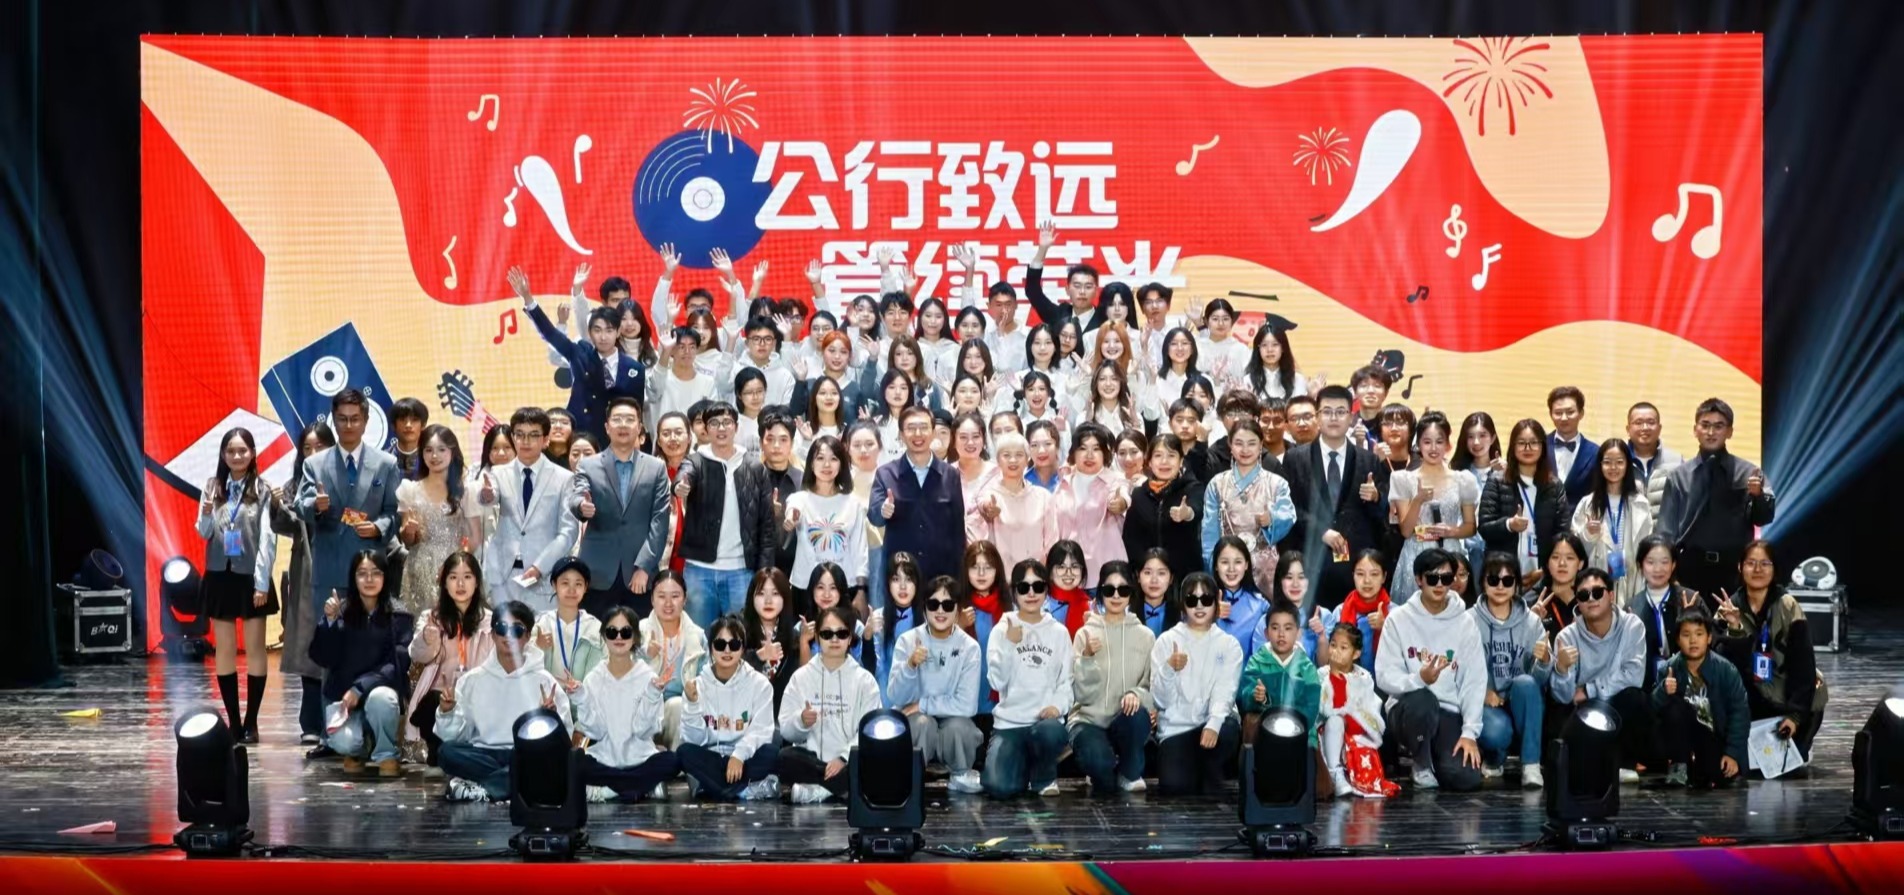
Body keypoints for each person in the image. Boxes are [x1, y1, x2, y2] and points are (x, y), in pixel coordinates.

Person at [1374, 548, 1485, 792]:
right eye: (1432, 578)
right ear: (1419, 579)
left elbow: (1474, 681)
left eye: (1446, 578)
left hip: (1448, 710)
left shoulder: (1466, 623)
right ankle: (1421, 762)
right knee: (1423, 700)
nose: (1440, 585)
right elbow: (1384, 675)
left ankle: (1437, 756)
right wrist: (1419, 678)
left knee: (1466, 779)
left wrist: (1469, 733)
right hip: (1408, 708)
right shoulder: (1398, 619)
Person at [435, 600, 569, 801]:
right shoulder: (472, 680)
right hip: (483, 754)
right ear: (492, 634)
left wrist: (550, 718)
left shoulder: (545, 681)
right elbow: (454, 738)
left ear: (527, 637)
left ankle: (485, 788)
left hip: (524, 754)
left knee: (542, 760)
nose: (508, 636)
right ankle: (511, 782)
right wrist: (447, 712)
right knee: (446, 753)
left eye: (517, 630)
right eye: (501, 628)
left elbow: (563, 739)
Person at [196, 427, 280, 744]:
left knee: (255, 647)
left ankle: (251, 722)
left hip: (250, 577)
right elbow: (203, 532)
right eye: (231, 451)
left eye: (242, 450)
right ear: (223, 455)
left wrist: (262, 584)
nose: (237, 456)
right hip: (219, 575)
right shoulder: (212, 487)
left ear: (253, 453)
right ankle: (233, 721)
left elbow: (267, 539)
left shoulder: (262, 488)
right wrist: (206, 514)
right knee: (225, 649)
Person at [1716, 540, 1828, 761]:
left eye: (1765, 563)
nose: (1757, 569)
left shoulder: (1788, 606)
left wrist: (1795, 716)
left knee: (1817, 682)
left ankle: (1799, 735)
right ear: (1740, 567)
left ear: (1774, 569)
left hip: (1783, 695)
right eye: (1751, 563)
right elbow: (1723, 668)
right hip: (1747, 698)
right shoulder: (1728, 607)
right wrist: (1735, 628)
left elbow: (1803, 664)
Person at [297, 389, 402, 621]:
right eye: (342, 419)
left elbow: (395, 513)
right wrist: (316, 505)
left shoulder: (386, 464)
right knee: (329, 638)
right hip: (329, 571)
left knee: (370, 638)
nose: (348, 425)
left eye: (355, 419)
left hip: (370, 571)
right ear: (333, 421)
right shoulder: (315, 464)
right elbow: (300, 504)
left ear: (365, 421)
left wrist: (378, 527)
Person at [1281, 385, 1389, 611]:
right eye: (1327, 411)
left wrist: (1376, 497)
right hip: (1312, 565)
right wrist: (1321, 530)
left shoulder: (1368, 460)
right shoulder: (1295, 458)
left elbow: (1382, 514)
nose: (1333, 418)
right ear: (1317, 417)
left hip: (1356, 568)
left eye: (1340, 412)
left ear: (1351, 417)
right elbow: (1289, 509)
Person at [1655, 398, 1776, 596]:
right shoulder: (1678, 477)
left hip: (1734, 572)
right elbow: (1665, 531)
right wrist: (1667, 572)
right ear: (1695, 430)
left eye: (1719, 426)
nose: (1711, 432)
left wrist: (1758, 496)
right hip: (1689, 571)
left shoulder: (1748, 473)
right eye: (1705, 425)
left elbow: (1764, 518)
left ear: (1730, 432)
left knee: (1733, 618)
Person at [511, 265, 646, 440]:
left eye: (609, 330)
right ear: (589, 333)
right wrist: (527, 298)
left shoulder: (634, 369)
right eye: (597, 330)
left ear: (618, 332)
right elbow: (550, 333)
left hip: (615, 441)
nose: (603, 337)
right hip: (579, 438)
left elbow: (636, 411)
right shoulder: (580, 353)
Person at [567, 397, 672, 619]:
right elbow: (578, 495)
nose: (623, 425)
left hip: (639, 575)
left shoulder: (656, 468)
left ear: (639, 427)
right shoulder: (588, 465)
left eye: (629, 419)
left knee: (638, 635)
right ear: (607, 427)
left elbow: (659, 523)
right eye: (617, 419)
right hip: (598, 573)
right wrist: (582, 506)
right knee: (595, 634)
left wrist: (644, 567)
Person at [311, 551, 414, 776]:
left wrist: (360, 688)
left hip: (378, 693)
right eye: (362, 574)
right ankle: (361, 748)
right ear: (353, 578)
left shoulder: (399, 615)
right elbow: (323, 658)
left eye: (376, 573)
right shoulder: (342, 611)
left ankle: (386, 753)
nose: (369, 580)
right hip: (345, 701)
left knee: (382, 700)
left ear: (385, 576)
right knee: (345, 743)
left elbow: (396, 664)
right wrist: (329, 622)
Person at [676, 401, 777, 626]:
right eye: (714, 423)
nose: (721, 428)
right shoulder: (695, 461)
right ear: (705, 429)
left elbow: (767, 526)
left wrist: (764, 572)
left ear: (736, 427)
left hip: (741, 571)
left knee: (740, 635)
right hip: (700, 570)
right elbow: (685, 474)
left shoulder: (754, 468)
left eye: (727, 422)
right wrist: (681, 485)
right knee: (700, 638)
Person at [570, 605, 683, 802]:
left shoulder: (648, 677)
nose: (619, 637)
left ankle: (609, 790)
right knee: (573, 762)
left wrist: (652, 695)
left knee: (673, 761)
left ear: (635, 637)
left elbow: (643, 731)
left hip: (641, 760)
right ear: (604, 636)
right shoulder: (593, 678)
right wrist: (581, 698)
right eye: (612, 632)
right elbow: (595, 732)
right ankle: (638, 788)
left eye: (626, 632)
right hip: (604, 760)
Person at [983, 559, 1075, 799]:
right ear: (1014, 592)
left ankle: (1044, 775)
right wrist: (1009, 644)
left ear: (1046, 590)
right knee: (998, 787)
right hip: (1010, 723)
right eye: (1024, 588)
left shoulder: (1059, 632)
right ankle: (1023, 765)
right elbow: (996, 682)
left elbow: (1066, 681)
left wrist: (1057, 706)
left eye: (1038, 586)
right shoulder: (1001, 630)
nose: (1031, 594)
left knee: (1050, 732)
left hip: (1044, 723)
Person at [472, 407, 579, 612]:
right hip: (503, 576)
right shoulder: (498, 473)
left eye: (533, 435)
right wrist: (486, 494)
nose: (525, 441)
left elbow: (568, 532)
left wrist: (540, 566)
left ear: (545, 440)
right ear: (513, 437)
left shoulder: (564, 478)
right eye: (519, 435)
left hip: (543, 576)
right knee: (504, 632)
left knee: (541, 632)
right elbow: (489, 497)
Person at [1549, 566, 1651, 780]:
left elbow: (1633, 676)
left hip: (1616, 701)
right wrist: (1562, 669)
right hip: (1584, 709)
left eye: (1597, 592)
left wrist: (1589, 689)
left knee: (1635, 697)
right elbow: (1564, 697)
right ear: (1578, 602)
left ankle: (1626, 764)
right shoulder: (1566, 637)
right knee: (1557, 715)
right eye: (1583, 595)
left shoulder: (1632, 626)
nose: (1591, 599)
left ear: (1611, 596)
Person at [887, 575, 985, 794]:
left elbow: (967, 705)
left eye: (948, 605)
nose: (940, 611)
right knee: (922, 723)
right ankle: (911, 777)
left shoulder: (970, 648)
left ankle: (960, 774)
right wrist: (910, 665)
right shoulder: (907, 640)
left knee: (960, 727)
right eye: (933, 604)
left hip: (952, 719)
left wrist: (923, 704)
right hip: (917, 720)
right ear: (924, 608)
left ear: (957, 609)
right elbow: (895, 696)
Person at [1151, 572, 1244, 796]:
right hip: (1176, 729)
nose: (1199, 606)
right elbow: (1160, 700)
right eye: (1192, 600)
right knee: (1175, 787)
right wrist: (1169, 669)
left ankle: (1210, 770)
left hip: (1212, 723)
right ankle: (1198, 771)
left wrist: (1213, 723)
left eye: (1206, 599)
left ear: (1216, 601)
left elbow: (1225, 690)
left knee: (1228, 728)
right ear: (1183, 603)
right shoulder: (1166, 641)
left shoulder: (1229, 645)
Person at [778, 605, 884, 803]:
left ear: (850, 638)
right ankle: (840, 787)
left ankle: (821, 790)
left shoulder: (865, 681)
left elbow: (869, 730)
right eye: (827, 634)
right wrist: (801, 721)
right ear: (817, 638)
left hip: (850, 759)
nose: (834, 640)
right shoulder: (801, 677)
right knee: (784, 757)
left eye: (841, 634)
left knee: (874, 762)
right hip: (812, 761)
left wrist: (843, 758)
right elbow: (786, 730)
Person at [1067, 561, 1156, 796]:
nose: (1116, 596)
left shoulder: (1146, 637)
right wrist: (1087, 658)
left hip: (1125, 720)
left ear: (1131, 593)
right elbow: (1079, 694)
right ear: (1100, 593)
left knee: (1137, 716)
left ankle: (1129, 771)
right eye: (1109, 590)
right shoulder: (1085, 634)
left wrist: (1136, 694)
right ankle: (1100, 764)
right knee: (1101, 770)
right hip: (1089, 721)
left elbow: (1152, 687)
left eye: (1123, 590)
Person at [276, 422, 336, 748]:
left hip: (339, 567)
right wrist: (276, 508)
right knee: (308, 647)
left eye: (319, 447)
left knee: (337, 642)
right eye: (307, 448)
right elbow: (285, 525)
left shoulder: (342, 479)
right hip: (305, 572)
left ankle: (336, 720)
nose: (313, 453)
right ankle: (310, 721)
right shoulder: (294, 485)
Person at [679, 615, 783, 801]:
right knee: (684, 752)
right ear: (711, 648)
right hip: (713, 757)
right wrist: (692, 704)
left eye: (734, 644)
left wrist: (738, 756)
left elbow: (761, 731)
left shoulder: (760, 684)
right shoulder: (697, 685)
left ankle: (713, 787)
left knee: (772, 752)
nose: (727, 650)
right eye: (720, 644)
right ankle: (743, 791)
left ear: (742, 648)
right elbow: (695, 740)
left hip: (746, 758)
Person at [405, 551, 491, 776]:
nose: (460, 584)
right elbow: (417, 655)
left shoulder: (491, 621)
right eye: (453, 577)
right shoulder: (431, 618)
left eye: (467, 577)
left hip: (476, 695)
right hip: (440, 693)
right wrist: (427, 639)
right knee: (433, 701)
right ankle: (436, 755)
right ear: (444, 583)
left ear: (477, 582)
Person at [1469, 551, 1550, 787]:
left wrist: (1545, 661)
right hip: (1487, 704)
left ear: (1516, 584)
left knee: (1526, 684)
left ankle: (1531, 765)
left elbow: (1540, 682)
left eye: (1507, 580)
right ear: (1483, 582)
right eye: (1493, 579)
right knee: (1497, 732)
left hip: (1521, 701)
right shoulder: (1469, 620)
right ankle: (1495, 757)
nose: (1500, 586)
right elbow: (1458, 670)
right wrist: (1483, 693)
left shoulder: (1531, 622)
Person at [1388, 412, 1479, 604]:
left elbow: (1471, 526)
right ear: (1418, 444)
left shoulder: (1463, 480)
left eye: (1439, 441)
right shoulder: (1403, 479)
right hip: (1415, 555)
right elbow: (1406, 531)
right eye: (1427, 442)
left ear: (1447, 444)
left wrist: (1452, 531)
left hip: (1450, 553)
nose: (1433, 448)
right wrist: (1418, 500)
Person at [869, 405, 968, 582]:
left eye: (923, 427)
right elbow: (875, 517)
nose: (917, 434)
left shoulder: (950, 475)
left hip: (941, 577)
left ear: (933, 433)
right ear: (901, 435)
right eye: (911, 428)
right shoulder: (886, 474)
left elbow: (958, 531)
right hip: (900, 577)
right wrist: (884, 511)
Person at [1653, 609, 1749, 788]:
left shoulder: (1726, 670)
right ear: (1677, 640)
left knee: (1714, 776)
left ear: (1709, 638)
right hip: (1683, 743)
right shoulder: (1668, 669)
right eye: (1686, 635)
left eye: (1699, 634)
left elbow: (1740, 714)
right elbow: (1652, 712)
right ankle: (1679, 765)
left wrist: (1732, 753)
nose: (1693, 640)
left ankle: (1700, 769)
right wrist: (1662, 691)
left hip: (1714, 739)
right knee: (1674, 708)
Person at [1201, 418, 1295, 596]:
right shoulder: (1217, 484)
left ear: (1261, 445)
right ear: (1230, 445)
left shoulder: (1276, 483)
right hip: (1227, 568)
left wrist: (1272, 519)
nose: (1245, 450)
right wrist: (1212, 567)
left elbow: (1289, 514)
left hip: (1266, 570)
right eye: (1239, 443)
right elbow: (1209, 534)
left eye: (1251, 443)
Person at [394, 425, 478, 618]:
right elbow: (407, 540)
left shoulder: (466, 490)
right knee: (422, 627)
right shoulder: (410, 490)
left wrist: (456, 567)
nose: (434, 456)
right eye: (428, 450)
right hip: (420, 570)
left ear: (452, 452)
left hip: (456, 571)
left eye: (441, 449)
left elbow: (475, 537)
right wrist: (409, 531)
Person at [1478, 419, 1571, 590]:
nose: (1527, 448)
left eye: (1534, 443)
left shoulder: (1555, 486)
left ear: (1543, 447)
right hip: (1503, 576)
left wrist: (1545, 570)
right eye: (1521, 443)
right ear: (1513, 447)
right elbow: (1484, 527)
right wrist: (1509, 525)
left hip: (1542, 575)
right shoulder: (1497, 481)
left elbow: (1562, 533)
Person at [1318, 623, 1399, 798]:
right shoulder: (1321, 675)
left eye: (1343, 647)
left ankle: (1358, 776)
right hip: (1329, 732)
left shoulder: (1364, 678)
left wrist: (1351, 718)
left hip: (1358, 731)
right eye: (1333, 645)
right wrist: (1334, 677)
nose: (1336, 651)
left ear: (1356, 653)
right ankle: (1335, 772)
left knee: (1346, 726)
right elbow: (1326, 709)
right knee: (1335, 720)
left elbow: (1368, 709)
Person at [782, 435, 868, 597]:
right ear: (811, 464)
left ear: (841, 464)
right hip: (805, 587)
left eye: (833, 459)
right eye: (820, 458)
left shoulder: (853, 503)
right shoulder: (800, 499)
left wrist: (861, 590)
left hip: (844, 586)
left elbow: (859, 550)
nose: (827, 465)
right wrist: (791, 519)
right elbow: (792, 510)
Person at [1571, 438, 1654, 600]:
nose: (1613, 467)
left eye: (1619, 462)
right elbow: (1575, 550)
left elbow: (1647, 548)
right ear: (1600, 465)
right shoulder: (1587, 503)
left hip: (1632, 579)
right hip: (1597, 579)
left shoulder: (1641, 504)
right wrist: (1588, 534)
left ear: (1628, 465)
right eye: (1607, 462)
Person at [1628, 535, 1714, 690]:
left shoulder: (1691, 599)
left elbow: (1711, 642)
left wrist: (1689, 619)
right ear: (1640, 565)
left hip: (1690, 684)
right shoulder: (1632, 607)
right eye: (1650, 562)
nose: (1658, 569)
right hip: (1647, 687)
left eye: (1664, 562)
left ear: (1673, 565)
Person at [1236, 600, 1321, 756]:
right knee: (1250, 723)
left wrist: (1295, 723)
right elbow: (1245, 697)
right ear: (1266, 633)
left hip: (1299, 730)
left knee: (1311, 754)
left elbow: (1312, 707)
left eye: (1288, 628)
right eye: (1275, 628)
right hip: (1265, 728)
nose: (1281, 634)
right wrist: (1257, 697)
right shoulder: (1256, 663)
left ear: (1298, 633)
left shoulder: (1307, 668)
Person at [1052, 424, 1130, 588]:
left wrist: (1120, 503)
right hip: (1068, 576)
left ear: (1105, 453)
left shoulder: (1115, 480)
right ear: (1073, 452)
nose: (1089, 455)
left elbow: (1122, 496)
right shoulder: (1063, 482)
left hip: (1105, 576)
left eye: (1096, 449)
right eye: (1082, 448)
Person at [1122, 433, 1206, 585]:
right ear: (1149, 462)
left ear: (1181, 461)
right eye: (1158, 455)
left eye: (1171, 455)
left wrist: (1186, 513)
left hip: (1184, 579)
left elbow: (1196, 508)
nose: (1164, 461)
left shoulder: (1192, 488)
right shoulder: (1139, 494)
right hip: (1149, 580)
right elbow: (1130, 539)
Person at [639, 571, 707, 752]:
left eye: (675, 596)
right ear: (652, 599)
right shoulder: (638, 632)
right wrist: (645, 654)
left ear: (685, 599)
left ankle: (677, 761)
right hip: (643, 706)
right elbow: (623, 674)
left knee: (678, 705)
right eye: (661, 596)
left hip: (680, 709)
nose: (668, 603)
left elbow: (706, 678)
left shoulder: (698, 636)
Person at [533, 557, 605, 696]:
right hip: (548, 699)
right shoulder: (542, 624)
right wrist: (538, 646)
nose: (572, 590)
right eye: (565, 583)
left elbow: (605, 667)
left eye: (578, 584)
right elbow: (526, 666)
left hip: (585, 701)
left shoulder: (595, 627)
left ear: (585, 587)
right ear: (554, 585)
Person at [1023, 221, 1103, 332]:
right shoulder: (1058, 315)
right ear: (1067, 289)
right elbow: (1033, 291)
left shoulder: (1105, 320)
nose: (1082, 292)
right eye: (1077, 286)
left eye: (1088, 287)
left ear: (1096, 291)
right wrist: (1042, 250)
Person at [866, 556, 920, 699]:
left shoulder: (927, 619)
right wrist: (868, 636)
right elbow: (870, 670)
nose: (903, 586)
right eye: (896, 579)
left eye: (908, 579)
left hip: (917, 702)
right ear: (888, 583)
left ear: (917, 583)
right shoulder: (877, 618)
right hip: (884, 699)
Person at [1528, 533, 1591, 637]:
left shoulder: (1591, 600)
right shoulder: (1532, 601)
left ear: (1580, 564)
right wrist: (1529, 623)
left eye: (1569, 558)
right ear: (1547, 563)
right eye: (1555, 557)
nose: (1562, 563)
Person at [1544, 386, 1597, 504]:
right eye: (1558, 413)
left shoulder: (1595, 452)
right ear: (1551, 414)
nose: (1564, 418)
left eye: (1570, 412)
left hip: (1580, 515)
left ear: (1581, 413)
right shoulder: (1539, 447)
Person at [1625, 402, 1683, 510]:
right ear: (1628, 429)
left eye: (1651, 422)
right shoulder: (1618, 461)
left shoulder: (1676, 462)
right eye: (1638, 422)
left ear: (1659, 428)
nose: (1645, 427)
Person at [1042, 541, 1094, 636]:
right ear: (1050, 572)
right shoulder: (1039, 603)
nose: (1069, 573)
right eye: (1061, 567)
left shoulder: (1090, 608)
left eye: (1075, 567)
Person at [1135, 548, 1179, 635]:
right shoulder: (1127, 613)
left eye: (1161, 573)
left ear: (1171, 578)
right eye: (1148, 573)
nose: (1154, 580)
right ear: (1138, 576)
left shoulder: (1182, 615)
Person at [386, 397, 430, 481]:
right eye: (402, 420)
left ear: (423, 425)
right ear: (393, 426)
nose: (408, 425)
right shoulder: (382, 460)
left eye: (414, 420)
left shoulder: (432, 460)